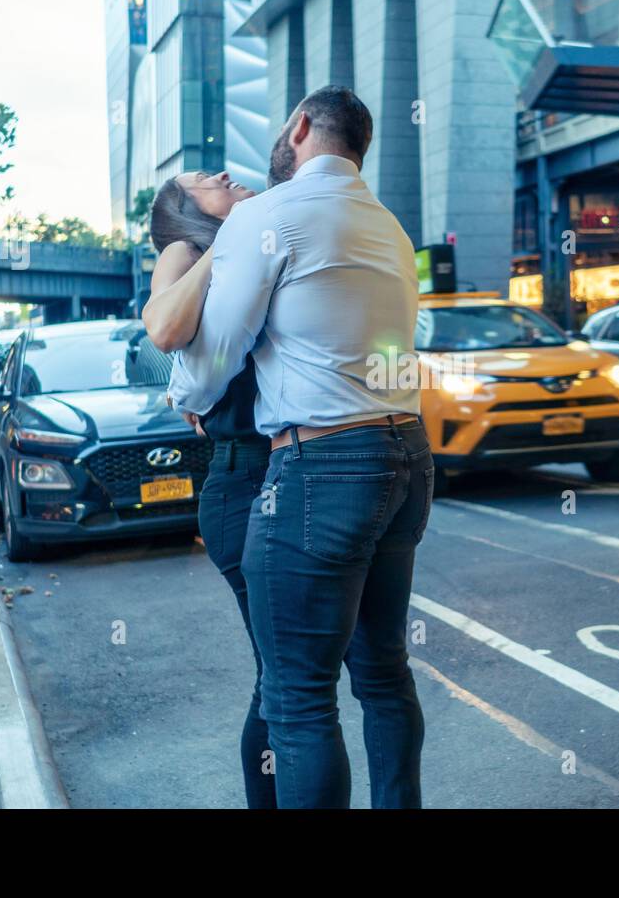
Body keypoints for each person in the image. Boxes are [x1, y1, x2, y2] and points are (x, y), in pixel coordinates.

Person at [169, 86, 433, 808]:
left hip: (322, 466)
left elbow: (216, 349)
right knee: (384, 675)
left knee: (298, 698)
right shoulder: (389, 227)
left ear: (300, 128)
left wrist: (185, 395)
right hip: (406, 455)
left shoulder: (268, 214)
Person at [140, 170, 279, 810]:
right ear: (182, 208)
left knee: (292, 674)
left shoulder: (259, 237)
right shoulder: (187, 250)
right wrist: (225, 244)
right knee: (279, 677)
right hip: (243, 481)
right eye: (201, 179)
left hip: (280, 469)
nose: (222, 174)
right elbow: (164, 328)